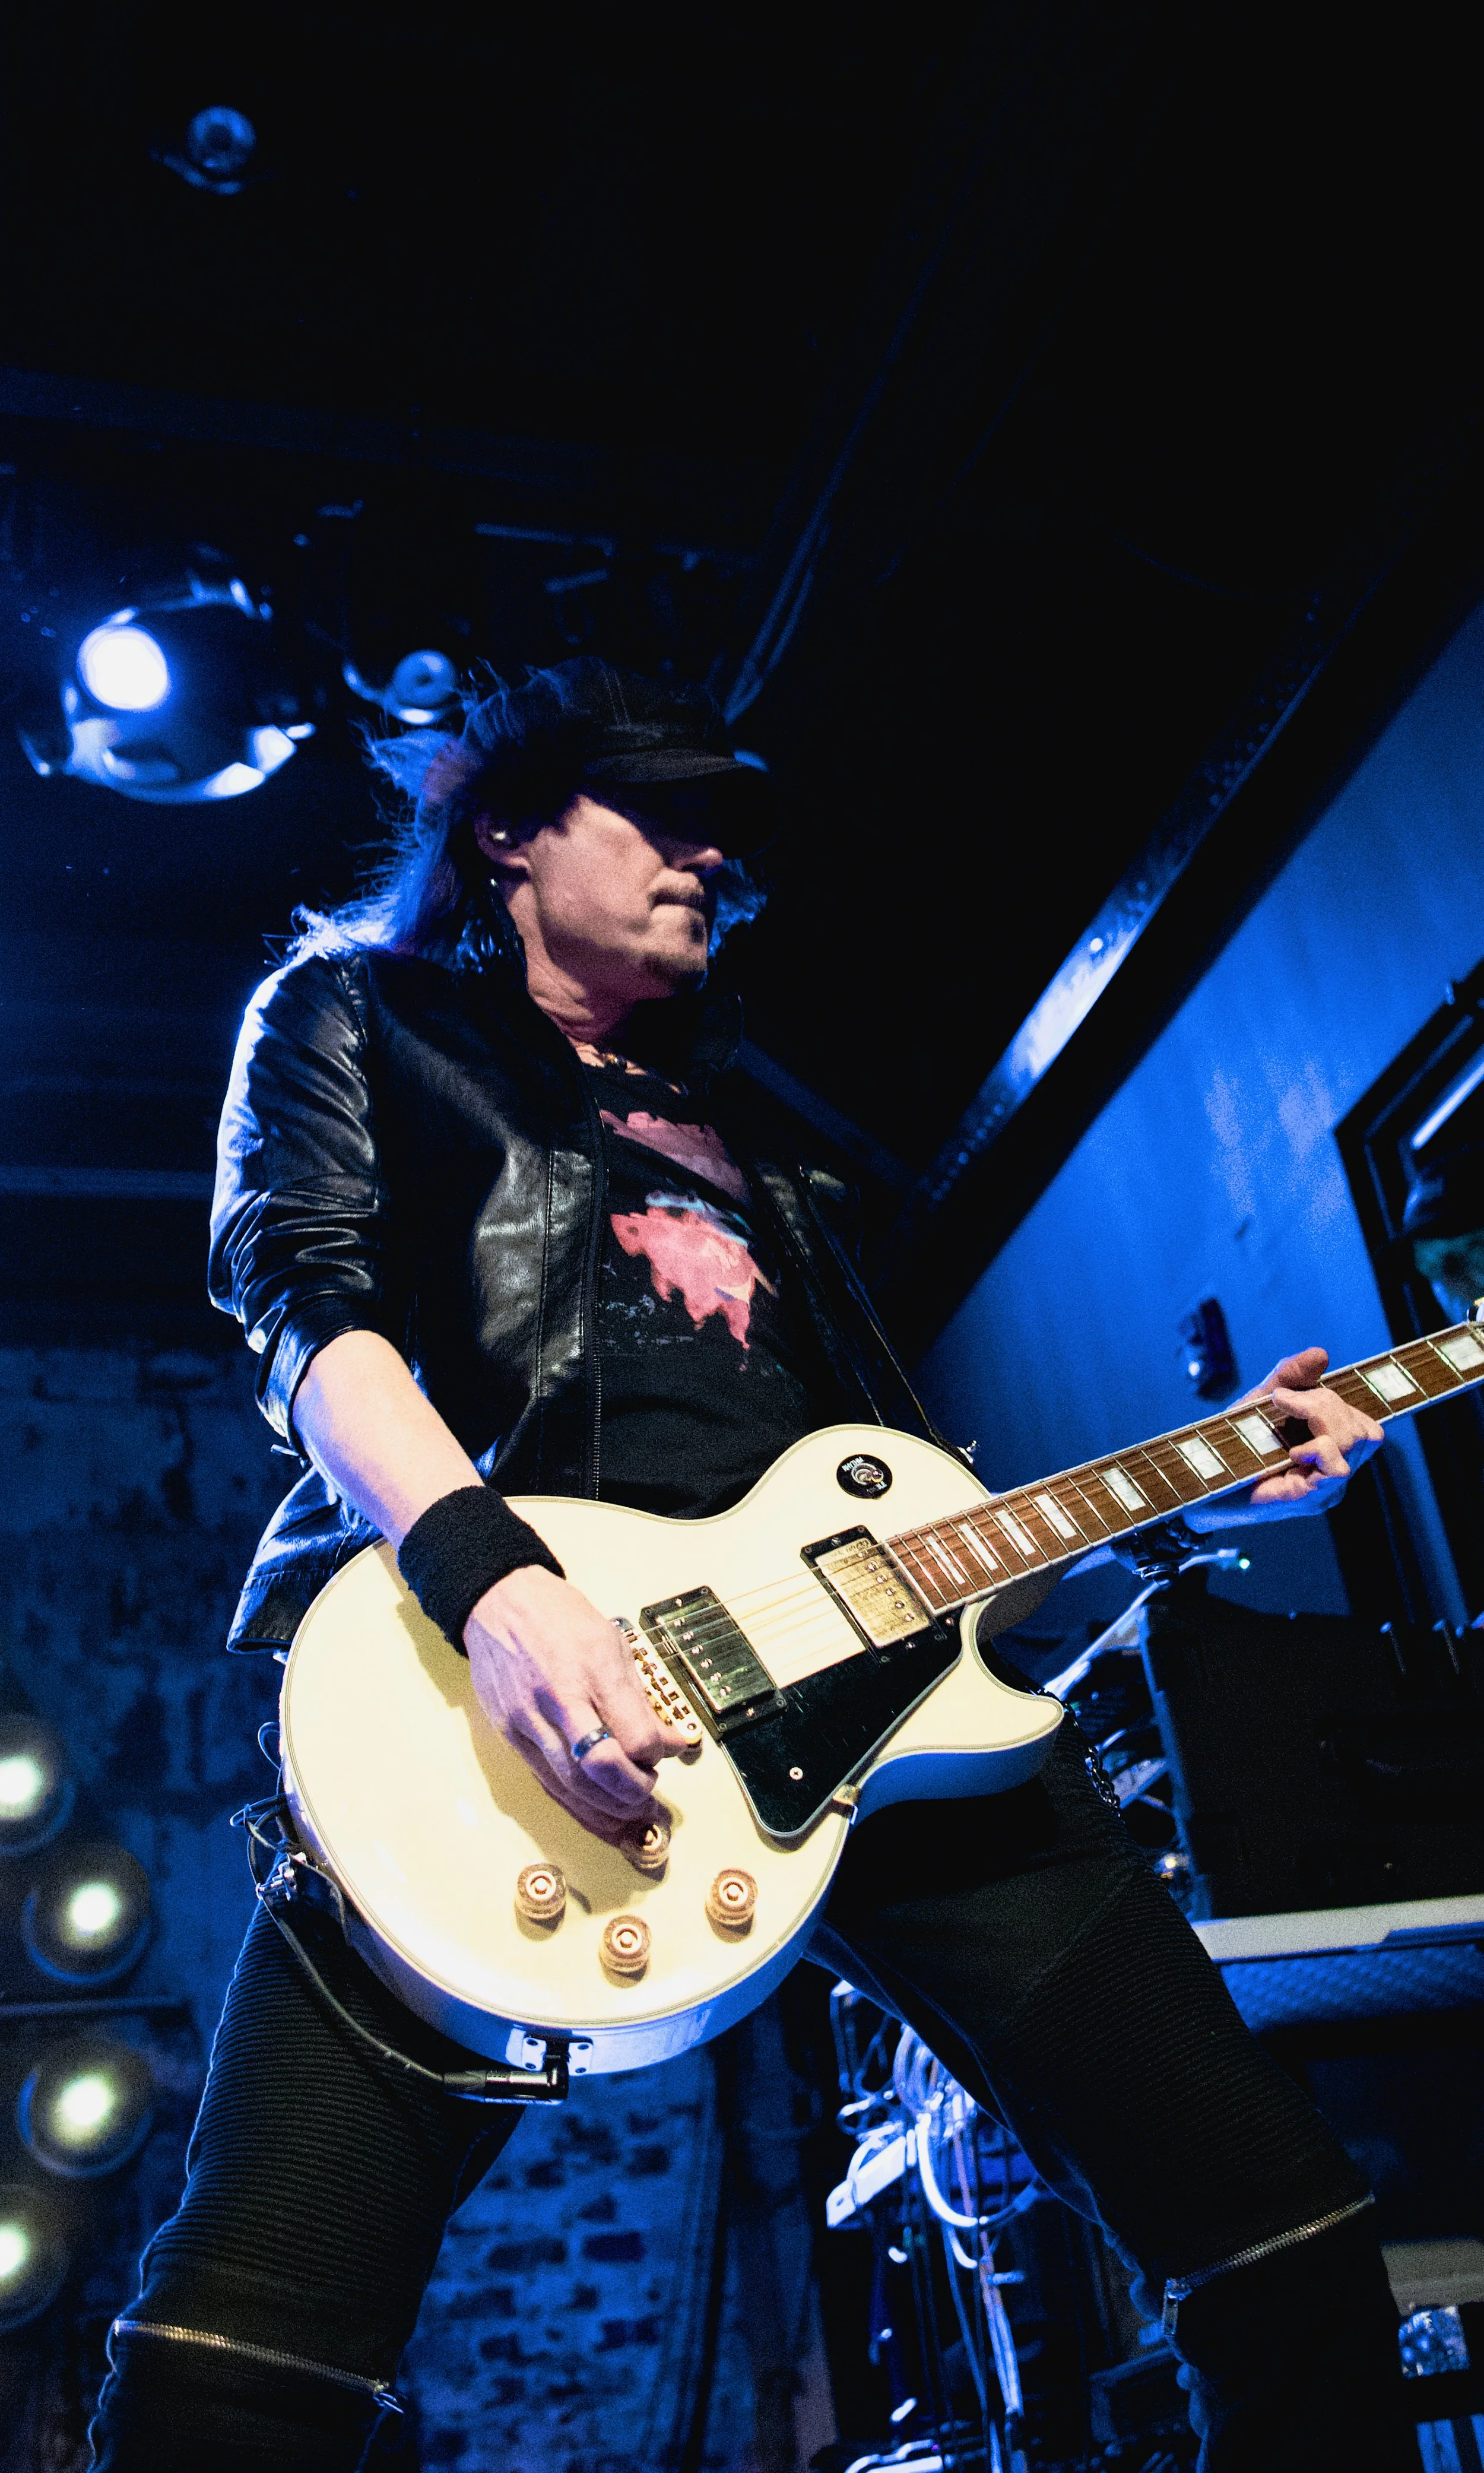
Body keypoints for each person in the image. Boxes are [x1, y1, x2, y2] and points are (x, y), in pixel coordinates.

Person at [90, 660, 1407, 2471]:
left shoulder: (780, 1148)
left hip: (883, 1721)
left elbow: (914, 1521)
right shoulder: (359, 1015)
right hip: (500, 1687)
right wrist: (499, 1584)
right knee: (240, 2362)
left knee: (1294, 2248)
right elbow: (301, 1307)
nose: (707, 855)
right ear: (506, 829)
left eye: (729, 834)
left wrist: (1193, 1493)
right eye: (660, 811)